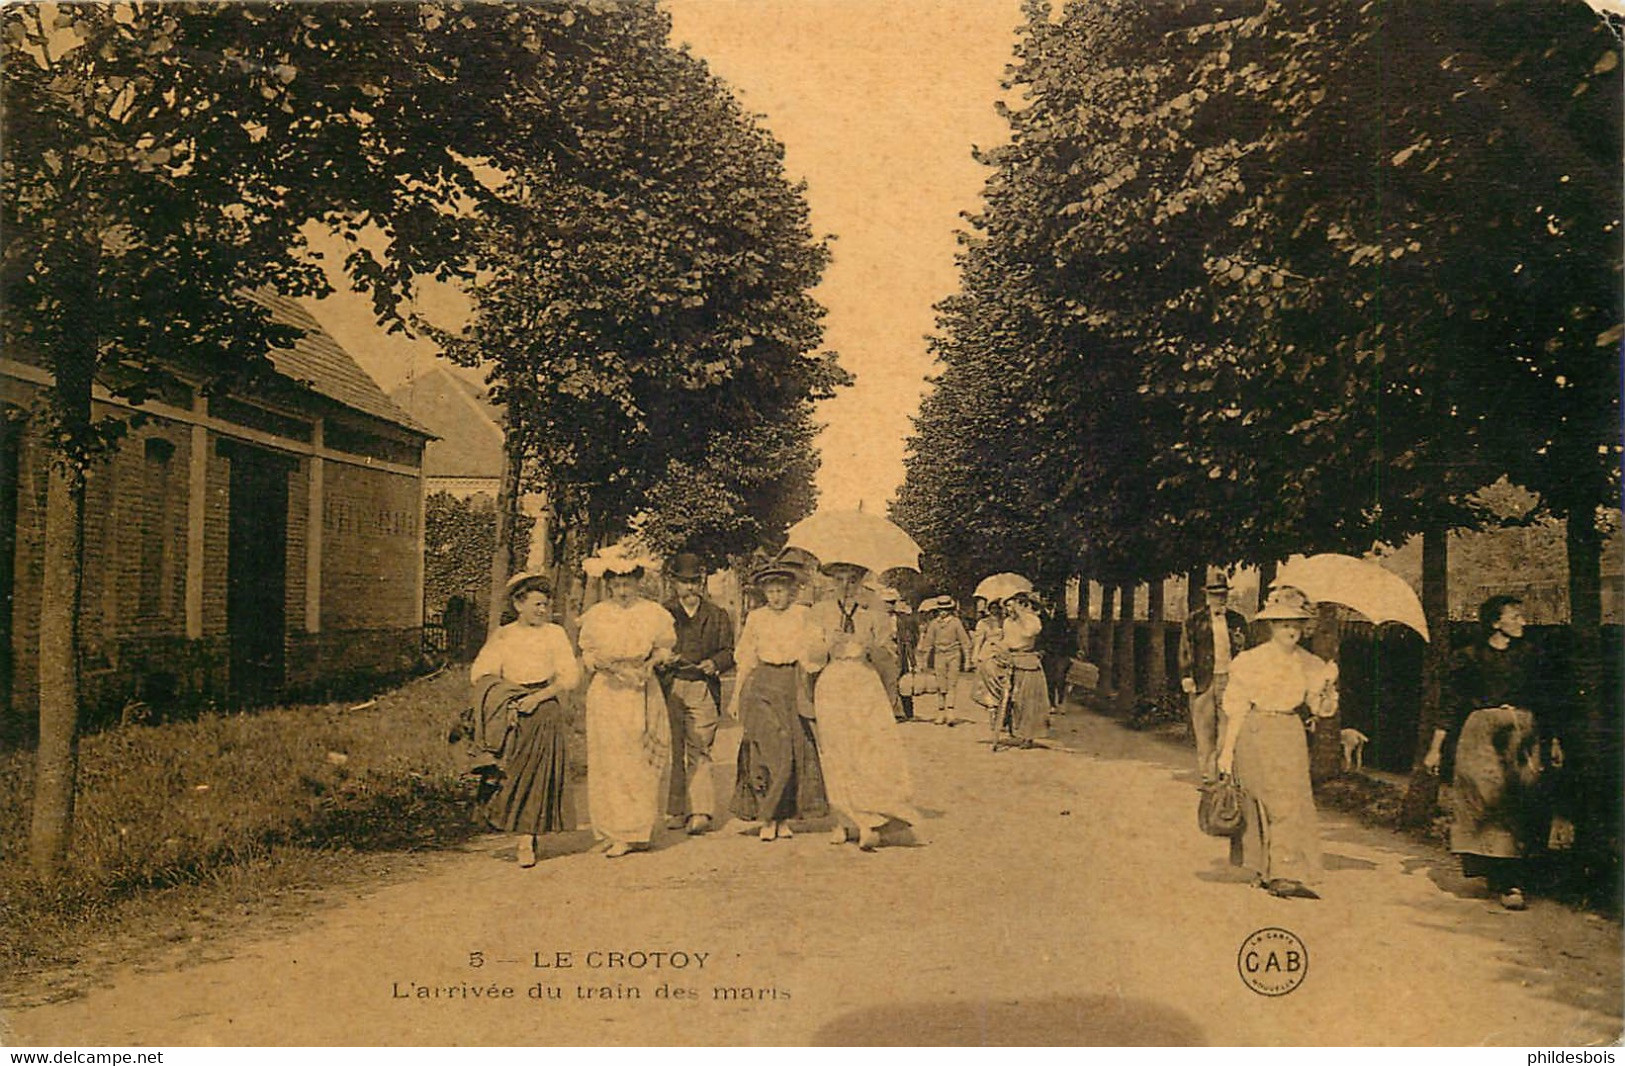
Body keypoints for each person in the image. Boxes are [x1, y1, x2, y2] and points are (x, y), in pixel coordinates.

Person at [1421, 594, 1564, 911]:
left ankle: (1514, 875)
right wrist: (1435, 749)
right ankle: (1504, 879)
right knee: (1486, 802)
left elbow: (1546, 701)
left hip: (1523, 737)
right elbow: (1450, 706)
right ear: (1495, 622)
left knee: (1521, 801)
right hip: (1481, 738)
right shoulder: (1468, 658)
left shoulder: (1530, 655)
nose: (1522, 622)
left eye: (1521, 616)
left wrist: (1553, 741)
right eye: (1515, 616)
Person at [1217, 586, 1337, 899]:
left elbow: (1320, 710)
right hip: (1255, 731)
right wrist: (1227, 752)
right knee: (1258, 800)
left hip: (1289, 732)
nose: (1291, 630)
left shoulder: (1311, 664)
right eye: (1284, 623)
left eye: (1297, 623)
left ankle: (1283, 872)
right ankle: (1263, 869)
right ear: (1271, 626)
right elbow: (1237, 707)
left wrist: (1327, 687)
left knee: (1289, 802)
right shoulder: (1250, 661)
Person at [468, 573, 582, 868]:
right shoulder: (504, 635)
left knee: (538, 778)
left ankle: (526, 840)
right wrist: (506, 698)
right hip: (512, 710)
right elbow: (481, 672)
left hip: (544, 709)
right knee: (512, 775)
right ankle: (518, 831)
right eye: (536, 605)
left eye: (545, 605)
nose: (543, 611)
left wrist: (539, 697)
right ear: (519, 604)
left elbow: (569, 676)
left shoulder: (554, 634)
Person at [807, 561, 922, 850]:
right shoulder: (820, 610)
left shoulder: (874, 609)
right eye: (840, 579)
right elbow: (809, 657)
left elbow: (887, 651)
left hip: (863, 681)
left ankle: (872, 816)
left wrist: (870, 645)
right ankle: (843, 819)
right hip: (833, 681)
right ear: (832, 580)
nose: (846, 586)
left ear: (861, 581)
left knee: (868, 748)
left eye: (852, 580)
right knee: (836, 750)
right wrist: (826, 644)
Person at [576, 549, 677, 858]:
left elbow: (664, 649)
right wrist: (608, 667)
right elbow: (588, 655)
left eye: (628, 584)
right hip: (607, 691)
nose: (622, 591)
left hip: (640, 689)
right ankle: (610, 828)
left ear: (638, 583)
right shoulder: (596, 614)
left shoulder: (653, 612)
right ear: (608, 585)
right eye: (617, 585)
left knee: (636, 757)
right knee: (608, 758)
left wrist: (649, 665)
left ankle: (636, 830)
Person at [729, 560, 829, 841]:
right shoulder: (756, 617)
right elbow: (746, 657)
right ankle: (766, 817)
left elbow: (814, 655)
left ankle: (783, 817)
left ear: (791, 592)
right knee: (765, 751)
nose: (775, 596)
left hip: (791, 685)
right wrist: (736, 696)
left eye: (781, 591)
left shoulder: (802, 615)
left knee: (793, 751)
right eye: (770, 591)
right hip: (763, 684)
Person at [657, 552, 735, 836]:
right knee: (674, 749)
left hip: (702, 686)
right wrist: (663, 659)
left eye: (694, 582)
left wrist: (715, 663)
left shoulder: (717, 615)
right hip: (672, 684)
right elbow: (652, 647)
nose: (689, 588)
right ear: (674, 582)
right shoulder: (663, 613)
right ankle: (677, 809)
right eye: (683, 582)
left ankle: (700, 811)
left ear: (701, 583)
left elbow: (729, 651)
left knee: (700, 746)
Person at [1179, 570, 1251, 785]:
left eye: (1223, 594)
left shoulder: (1237, 620)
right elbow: (1185, 649)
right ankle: (1209, 777)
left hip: (1231, 681)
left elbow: (1248, 652)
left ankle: (1223, 773)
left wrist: (1241, 642)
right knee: (1204, 729)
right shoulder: (1194, 620)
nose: (1220, 598)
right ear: (1207, 595)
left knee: (1229, 729)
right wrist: (1186, 675)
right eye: (1215, 594)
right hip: (1203, 681)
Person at [998, 592, 1051, 747]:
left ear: (1021, 604)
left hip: (1028, 663)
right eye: (1007, 605)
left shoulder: (1032, 620)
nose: (1009, 608)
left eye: (1011, 604)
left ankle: (1028, 736)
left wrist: (1022, 614)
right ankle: (1013, 729)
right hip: (1012, 660)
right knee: (1014, 700)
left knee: (1028, 700)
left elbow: (1029, 633)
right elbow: (1007, 641)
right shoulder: (1008, 622)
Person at [916, 596, 971, 725]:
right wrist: (923, 661)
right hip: (939, 655)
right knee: (941, 684)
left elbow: (965, 641)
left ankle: (950, 712)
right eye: (940, 609)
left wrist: (968, 660)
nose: (943, 612)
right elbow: (928, 642)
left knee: (952, 683)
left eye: (946, 609)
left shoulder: (956, 622)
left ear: (950, 610)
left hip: (954, 655)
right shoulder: (934, 623)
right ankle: (941, 712)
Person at [892, 598, 920, 722]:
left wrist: (912, 660)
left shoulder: (903, 620)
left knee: (904, 683)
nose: (889, 605)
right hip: (884, 655)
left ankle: (908, 712)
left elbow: (909, 640)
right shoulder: (877, 618)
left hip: (900, 655)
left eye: (891, 602)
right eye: (886, 602)